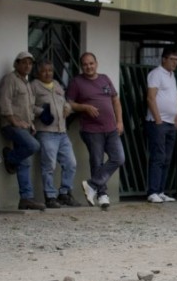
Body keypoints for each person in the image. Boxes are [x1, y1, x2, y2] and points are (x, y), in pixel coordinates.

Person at [67, 52, 126, 209]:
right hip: (91, 129)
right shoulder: (77, 82)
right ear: (81, 66)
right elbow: (69, 103)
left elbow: (115, 100)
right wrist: (84, 107)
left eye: (91, 63)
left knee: (119, 158)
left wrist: (119, 121)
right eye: (85, 64)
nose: (89, 67)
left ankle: (92, 185)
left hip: (111, 127)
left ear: (96, 63)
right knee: (96, 161)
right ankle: (102, 195)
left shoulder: (105, 79)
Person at [0, 51, 45, 211]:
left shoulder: (26, 83)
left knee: (25, 162)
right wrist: (14, 120)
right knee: (33, 146)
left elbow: (29, 107)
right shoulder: (10, 79)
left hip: (25, 126)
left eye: (30, 63)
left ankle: (26, 198)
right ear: (16, 64)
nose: (27, 66)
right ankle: (10, 158)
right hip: (11, 125)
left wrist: (31, 123)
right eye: (24, 62)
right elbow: (5, 101)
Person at [31, 59, 80, 208]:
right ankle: (50, 196)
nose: (48, 73)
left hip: (62, 132)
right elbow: (28, 105)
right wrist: (41, 112)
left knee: (71, 163)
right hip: (46, 132)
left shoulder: (57, 85)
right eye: (44, 71)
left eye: (50, 70)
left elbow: (63, 101)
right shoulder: (33, 86)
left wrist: (67, 107)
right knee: (49, 166)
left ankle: (64, 193)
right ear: (38, 72)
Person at [145, 47, 177, 204]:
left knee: (167, 158)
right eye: (172, 59)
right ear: (164, 59)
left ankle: (161, 190)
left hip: (171, 123)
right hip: (158, 122)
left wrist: (176, 118)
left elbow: (173, 99)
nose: (175, 63)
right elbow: (151, 98)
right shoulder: (156, 74)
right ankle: (152, 191)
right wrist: (158, 119)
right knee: (158, 157)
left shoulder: (172, 76)